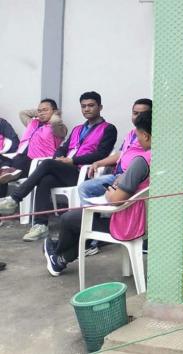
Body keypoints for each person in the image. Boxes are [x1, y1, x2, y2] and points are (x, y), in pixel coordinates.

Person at [43, 111, 151, 276]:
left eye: (138, 136)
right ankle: (60, 257)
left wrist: (110, 191)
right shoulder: (163, 158)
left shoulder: (141, 161)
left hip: (130, 225)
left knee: (69, 218)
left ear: (146, 135)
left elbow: (115, 199)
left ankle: (57, 254)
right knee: (80, 219)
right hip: (150, 222)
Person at [0, 91, 117, 241]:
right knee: (45, 179)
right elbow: (63, 147)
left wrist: (73, 161)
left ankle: (15, 198)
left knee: (47, 163)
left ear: (100, 107)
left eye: (91, 105)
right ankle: (40, 226)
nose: (87, 109)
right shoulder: (77, 129)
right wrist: (59, 157)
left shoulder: (108, 129)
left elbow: (102, 154)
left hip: (84, 173)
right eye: (83, 106)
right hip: (67, 170)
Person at [79, 98, 152, 202]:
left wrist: (125, 176)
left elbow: (143, 166)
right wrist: (98, 163)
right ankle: (93, 216)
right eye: (135, 113)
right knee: (85, 187)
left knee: (87, 189)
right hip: (117, 175)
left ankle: (94, 216)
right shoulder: (131, 133)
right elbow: (121, 154)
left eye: (143, 114)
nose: (138, 117)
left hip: (129, 177)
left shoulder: (149, 139)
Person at [0, 99, 67, 186]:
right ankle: (8, 172)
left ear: (54, 111)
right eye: (39, 111)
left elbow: (55, 121)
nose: (41, 113)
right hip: (18, 157)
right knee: (4, 165)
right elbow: (22, 113)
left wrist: (55, 114)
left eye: (45, 110)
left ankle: (10, 171)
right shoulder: (33, 123)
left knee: (16, 163)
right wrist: (40, 112)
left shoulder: (58, 128)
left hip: (36, 161)